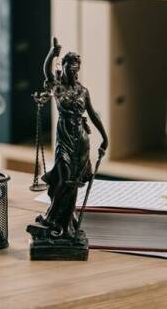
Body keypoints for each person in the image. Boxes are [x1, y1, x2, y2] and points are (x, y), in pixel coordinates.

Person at [37, 37, 108, 237]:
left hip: (81, 138)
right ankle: (53, 218)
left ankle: (66, 222)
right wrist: (52, 54)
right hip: (65, 136)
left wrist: (105, 137)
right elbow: (47, 72)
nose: (73, 72)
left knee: (74, 180)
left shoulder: (83, 91)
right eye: (70, 68)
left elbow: (93, 115)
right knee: (63, 176)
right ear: (65, 67)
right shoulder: (59, 88)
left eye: (76, 69)